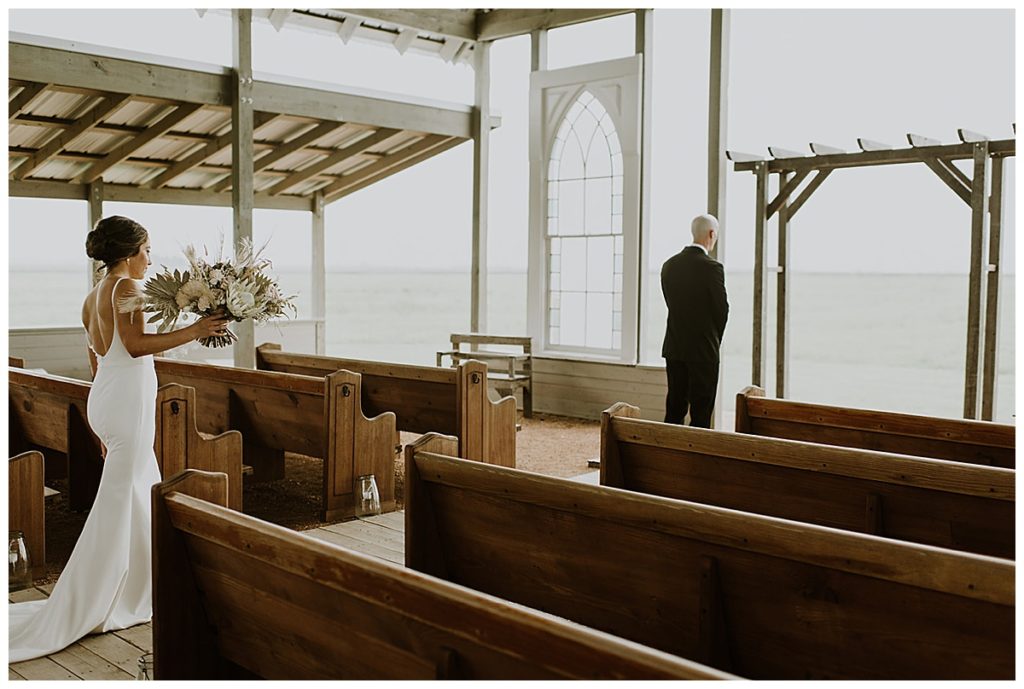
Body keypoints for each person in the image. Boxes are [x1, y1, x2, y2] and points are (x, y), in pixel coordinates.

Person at [9, 216, 230, 662]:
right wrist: (197, 331)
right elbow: (134, 346)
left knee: (140, 493)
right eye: (147, 249)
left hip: (110, 399)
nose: (151, 258)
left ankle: (141, 586)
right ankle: (94, 598)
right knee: (120, 500)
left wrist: (104, 425)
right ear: (129, 253)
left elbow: (99, 360)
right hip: (124, 402)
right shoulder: (126, 289)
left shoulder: (92, 297)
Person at [660, 213, 729, 428]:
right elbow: (721, 311)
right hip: (703, 350)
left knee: (674, 407)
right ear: (711, 234)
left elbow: (671, 304)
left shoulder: (668, 265)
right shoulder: (712, 268)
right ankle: (694, 458)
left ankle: (668, 453)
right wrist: (712, 340)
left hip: (674, 346)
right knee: (701, 412)